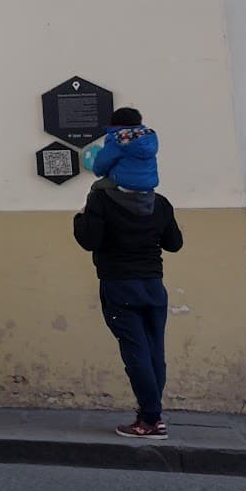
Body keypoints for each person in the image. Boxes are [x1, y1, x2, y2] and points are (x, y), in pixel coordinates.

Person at [73, 177, 183, 438]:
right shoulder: (160, 202)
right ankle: (152, 414)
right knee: (154, 350)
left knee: (135, 352)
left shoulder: (101, 200)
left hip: (120, 285)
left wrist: (80, 218)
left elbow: (90, 239)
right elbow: (174, 244)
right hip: (154, 286)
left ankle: (150, 419)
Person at [90, 106, 159, 193]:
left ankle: (91, 206)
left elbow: (101, 163)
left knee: (96, 186)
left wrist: (97, 172)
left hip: (124, 184)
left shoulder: (119, 139)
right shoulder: (149, 137)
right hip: (148, 185)